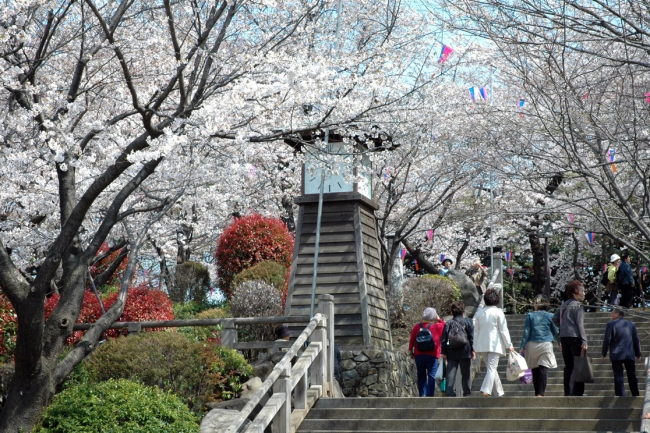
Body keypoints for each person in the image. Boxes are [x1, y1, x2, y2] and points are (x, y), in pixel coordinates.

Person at [473, 288, 515, 397]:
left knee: (491, 368)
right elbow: (503, 330)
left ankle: (499, 392)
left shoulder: (479, 313)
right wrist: (509, 344)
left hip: (482, 344)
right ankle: (486, 389)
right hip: (495, 344)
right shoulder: (498, 312)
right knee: (492, 368)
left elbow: (476, 332)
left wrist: (474, 346)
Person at [519, 294, 559, 397]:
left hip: (532, 344)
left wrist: (522, 346)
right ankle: (541, 393)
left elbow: (526, 332)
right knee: (543, 369)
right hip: (546, 344)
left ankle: (537, 392)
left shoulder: (530, 315)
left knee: (535, 369)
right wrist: (560, 342)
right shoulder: (550, 316)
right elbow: (556, 331)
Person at [553, 280, 588, 396]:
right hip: (575, 337)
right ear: (575, 292)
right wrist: (584, 340)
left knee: (568, 366)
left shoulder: (564, 304)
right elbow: (580, 325)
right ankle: (578, 392)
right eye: (582, 291)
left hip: (564, 337)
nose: (584, 293)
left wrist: (563, 327)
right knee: (579, 364)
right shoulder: (578, 305)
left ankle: (567, 391)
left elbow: (554, 319)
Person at [601, 308, 641, 396]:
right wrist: (638, 353)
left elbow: (607, 340)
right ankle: (635, 393)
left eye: (612, 313)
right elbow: (636, 339)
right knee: (632, 375)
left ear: (618, 314)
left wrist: (604, 353)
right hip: (629, 353)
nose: (611, 314)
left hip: (616, 354)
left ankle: (621, 395)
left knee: (618, 376)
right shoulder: (631, 324)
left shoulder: (610, 324)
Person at [441, 301, 475, 397]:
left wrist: (443, 352)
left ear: (452, 312)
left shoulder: (448, 323)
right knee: (466, 374)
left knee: (451, 373)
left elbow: (443, 338)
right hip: (465, 350)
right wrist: (473, 350)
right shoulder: (468, 321)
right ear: (462, 312)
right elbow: (472, 337)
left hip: (451, 350)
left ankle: (450, 393)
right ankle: (467, 393)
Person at [409, 307, 445, 397]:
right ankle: (429, 395)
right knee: (432, 375)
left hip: (419, 354)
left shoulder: (417, 327)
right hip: (433, 354)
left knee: (421, 375)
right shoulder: (437, 326)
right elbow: (445, 326)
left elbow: (412, 340)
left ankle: (422, 394)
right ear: (433, 316)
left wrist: (411, 352)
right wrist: (439, 319)